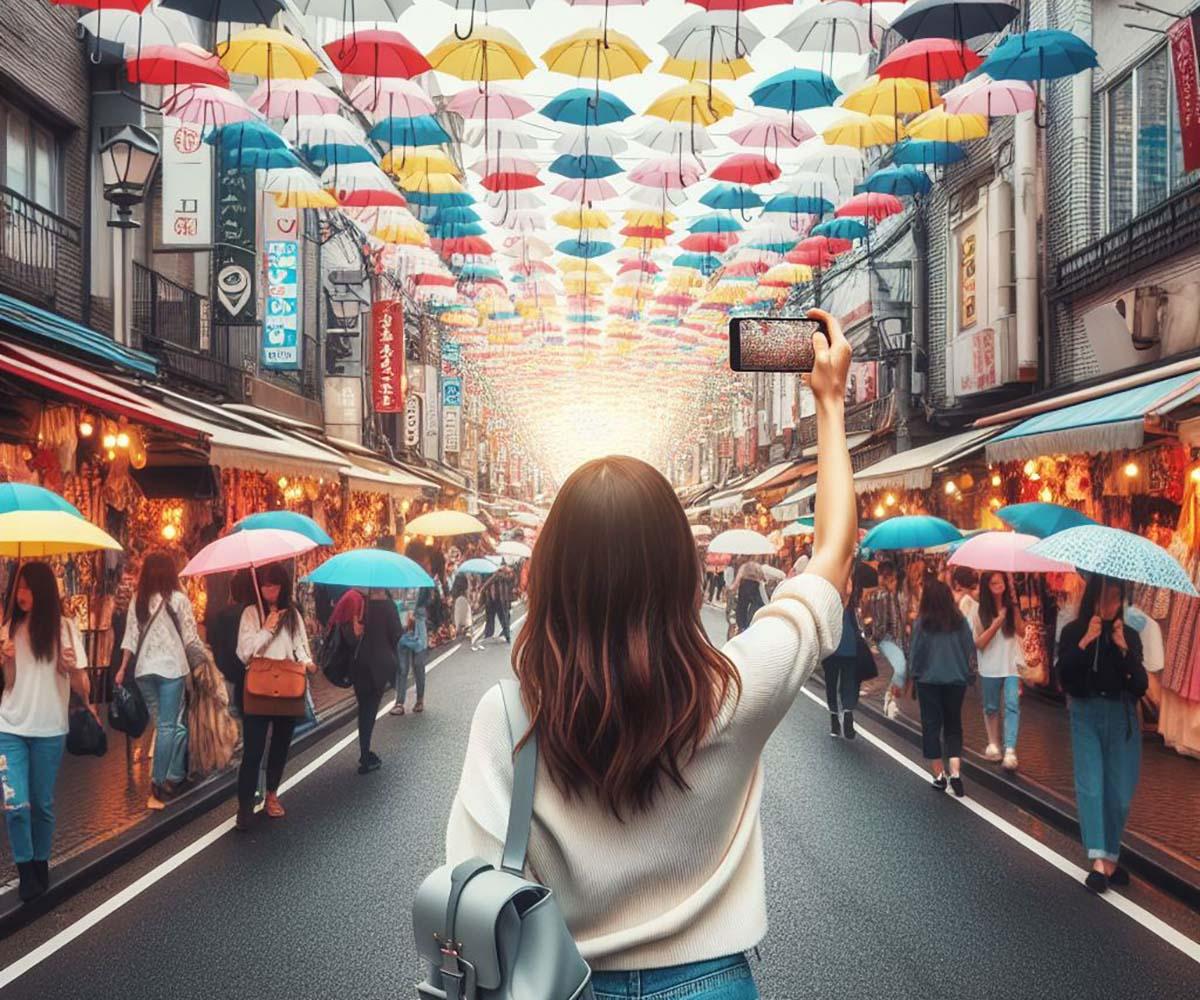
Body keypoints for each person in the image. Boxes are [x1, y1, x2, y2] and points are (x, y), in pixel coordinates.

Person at [444, 309, 855, 993]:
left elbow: (475, 889)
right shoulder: (732, 692)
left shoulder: (510, 717)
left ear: (550, 574)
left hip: (561, 983)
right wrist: (831, 400)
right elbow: (833, 556)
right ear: (679, 571)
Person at [0, 563, 92, 902]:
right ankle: (26, 869)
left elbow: (86, 687)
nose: (21, 594)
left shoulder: (66, 629)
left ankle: (41, 862)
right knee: (15, 805)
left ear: (43, 590)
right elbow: (7, 684)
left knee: (42, 803)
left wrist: (70, 668)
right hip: (8, 729)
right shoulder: (8, 628)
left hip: (50, 730)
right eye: (17, 587)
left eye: (28, 588)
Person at [1057, 576, 1148, 894]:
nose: (1108, 604)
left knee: (1120, 793)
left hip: (1122, 718)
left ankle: (1111, 855)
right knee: (1092, 786)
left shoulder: (1130, 636)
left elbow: (1140, 685)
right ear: (1092, 599)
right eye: (1103, 597)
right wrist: (1086, 642)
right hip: (1086, 714)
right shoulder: (1073, 631)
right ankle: (1098, 860)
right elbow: (1064, 676)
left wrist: (1125, 651)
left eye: (1115, 598)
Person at [115, 551, 199, 811]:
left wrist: (122, 669)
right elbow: (190, 638)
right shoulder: (179, 600)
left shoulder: (138, 600)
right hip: (171, 669)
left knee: (168, 725)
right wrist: (201, 665)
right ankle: (158, 783)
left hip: (143, 672)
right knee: (167, 727)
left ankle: (174, 775)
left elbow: (129, 637)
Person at [234, 562, 315, 831]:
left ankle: (271, 795)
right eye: (265, 585)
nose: (269, 590)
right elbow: (244, 652)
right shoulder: (250, 613)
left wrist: (307, 662)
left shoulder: (292, 615)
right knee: (253, 750)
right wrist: (266, 629)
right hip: (259, 687)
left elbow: (299, 647)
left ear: (283, 586)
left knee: (280, 746)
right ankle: (244, 805)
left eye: (274, 585)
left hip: (288, 686)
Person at [909, 577, 977, 798]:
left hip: (928, 680)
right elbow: (970, 648)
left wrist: (914, 675)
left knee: (931, 725)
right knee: (953, 724)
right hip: (956, 680)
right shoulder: (960, 621)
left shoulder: (922, 623)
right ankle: (956, 772)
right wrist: (969, 674)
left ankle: (939, 776)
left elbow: (916, 654)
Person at [333, 588, 400, 774]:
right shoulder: (388, 606)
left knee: (364, 708)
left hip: (359, 665)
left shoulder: (361, 604)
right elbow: (396, 635)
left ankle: (365, 751)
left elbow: (350, 633)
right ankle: (365, 754)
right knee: (370, 709)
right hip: (380, 666)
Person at [971, 571, 1024, 770]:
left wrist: (1014, 604)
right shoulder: (978, 611)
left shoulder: (1010, 608)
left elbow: (1021, 630)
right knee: (991, 707)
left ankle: (1010, 748)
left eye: (1000, 581)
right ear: (986, 586)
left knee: (1012, 705)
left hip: (1011, 665)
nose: (998, 586)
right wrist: (996, 623)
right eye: (993, 583)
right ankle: (993, 743)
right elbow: (979, 643)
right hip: (990, 667)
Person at [205, 569, 253, 717]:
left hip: (234, 674)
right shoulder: (257, 613)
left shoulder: (222, 615)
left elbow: (215, 644)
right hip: (254, 673)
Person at [393, 542, 432, 716]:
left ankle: (420, 699)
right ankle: (399, 702)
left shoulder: (424, 578)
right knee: (402, 666)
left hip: (418, 624)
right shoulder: (400, 575)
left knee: (417, 664)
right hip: (403, 624)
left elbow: (428, 599)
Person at [823, 573, 863, 739]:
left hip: (831, 646)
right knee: (849, 683)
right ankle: (847, 714)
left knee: (831, 684)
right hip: (849, 645)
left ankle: (834, 721)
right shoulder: (853, 603)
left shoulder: (828, 600)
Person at [866, 561, 906, 720]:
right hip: (889, 638)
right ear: (887, 578)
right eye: (893, 579)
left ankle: (890, 697)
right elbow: (881, 622)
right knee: (902, 668)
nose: (895, 582)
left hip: (892, 638)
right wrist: (876, 639)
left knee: (902, 669)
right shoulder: (884, 595)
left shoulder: (889, 595)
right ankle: (890, 698)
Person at [480, 562, 516, 643]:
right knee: (497, 618)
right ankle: (499, 635)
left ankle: (497, 635)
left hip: (498, 599)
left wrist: (482, 589)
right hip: (495, 599)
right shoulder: (507, 575)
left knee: (500, 618)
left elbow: (486, 584)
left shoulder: (499, 575)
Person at [733, 560, 768, 633]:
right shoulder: (758, 566)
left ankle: (741, 626)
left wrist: (734, 587)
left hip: (744, 584)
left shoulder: (744, 566)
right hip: (754, 585)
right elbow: (763, 578)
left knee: (742, 605)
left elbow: (738, 577)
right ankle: (750, 623)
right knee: (757, 604)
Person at [451, 573, 471, 639]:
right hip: (464, 600)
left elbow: (453, 593)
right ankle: (466, 629)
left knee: (458, 616)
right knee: (466, 615)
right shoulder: (465, 582)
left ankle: (458, 629)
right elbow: (467, 591)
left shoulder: (455, 586)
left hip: (457, 601)